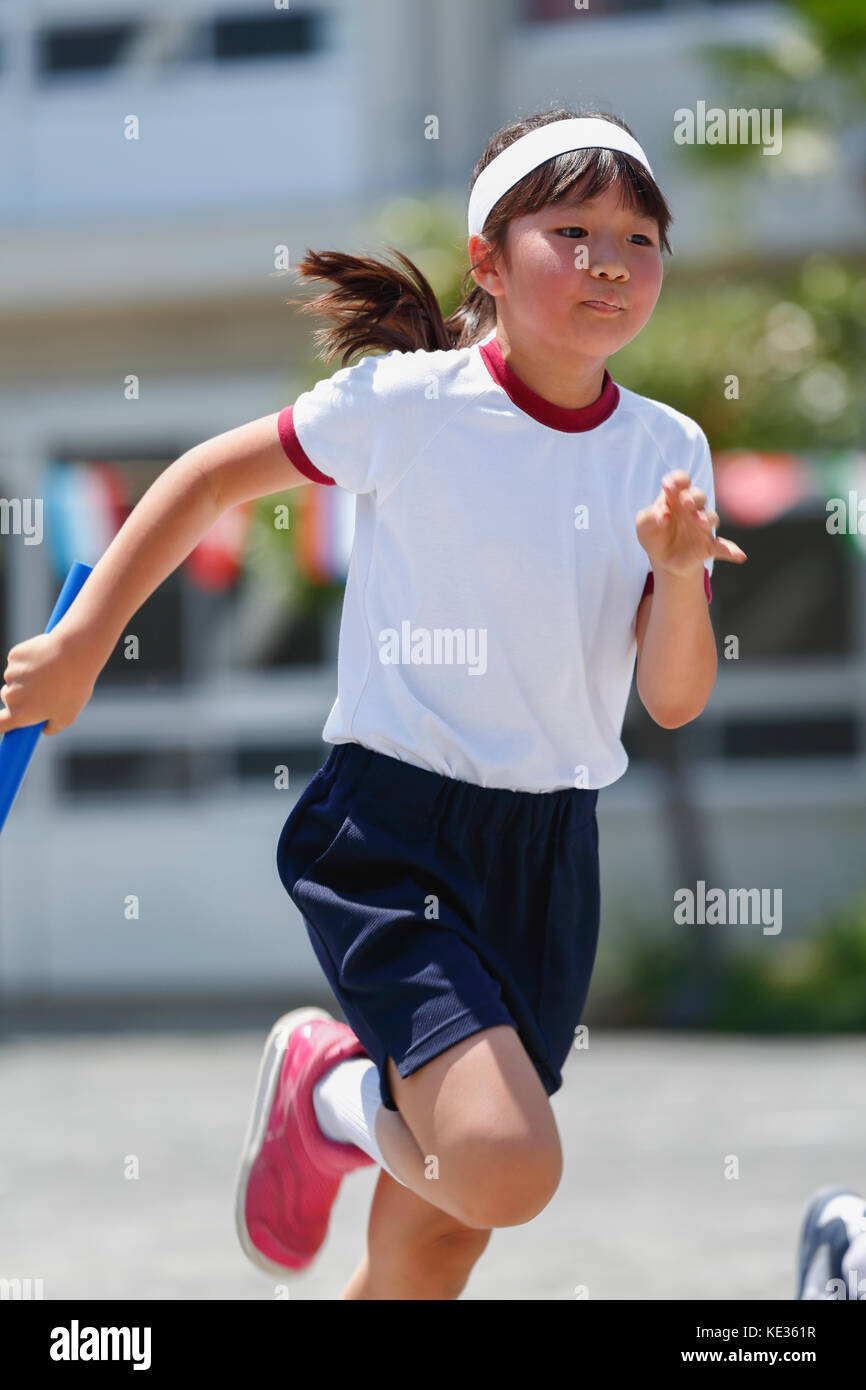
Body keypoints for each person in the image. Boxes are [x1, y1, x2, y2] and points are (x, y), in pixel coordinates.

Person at [0, 107, 746, 1301]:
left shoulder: (667, 450)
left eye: (640, 234)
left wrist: (673, 574)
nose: (611, 259)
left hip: (549, 853)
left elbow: (667, 699)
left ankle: (343, 1117)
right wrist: (81, 645)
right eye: (572, 229)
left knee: (434, 1244)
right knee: (503, 1169)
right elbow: (201, 480)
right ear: (489, 264)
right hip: (394, 838)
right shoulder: (409, 402)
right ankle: (327, 1091)